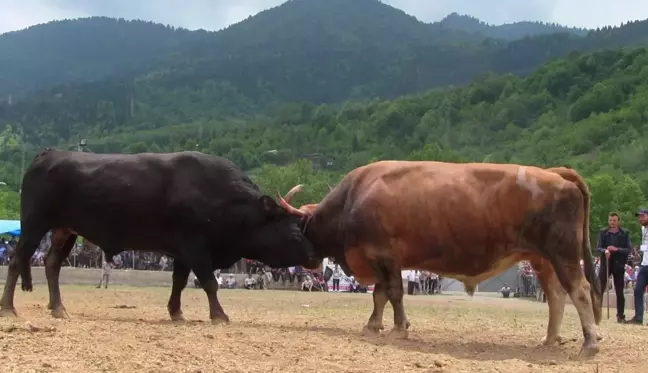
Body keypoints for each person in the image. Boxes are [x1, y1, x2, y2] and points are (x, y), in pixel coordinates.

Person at [595, 212, 632, 323]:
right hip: (606, 264)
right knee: (599, 289)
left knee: (619, 291)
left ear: (618, 221)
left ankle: (620, 316)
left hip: (619, 265)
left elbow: (628, 250)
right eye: (610, 220)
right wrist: (605, 250)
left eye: (614, 221)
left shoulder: (625, 233)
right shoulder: (603, 233)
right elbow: (598, 247)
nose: (612, 223)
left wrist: (616, 249)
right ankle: (596, 313)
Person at [625, 208, 648, 325]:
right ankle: (638, 318)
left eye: (643, 216)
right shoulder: (643, 228)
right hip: (644, 264)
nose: (641, 219)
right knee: (638, 289)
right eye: (640, 217)